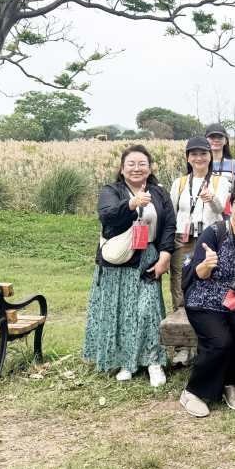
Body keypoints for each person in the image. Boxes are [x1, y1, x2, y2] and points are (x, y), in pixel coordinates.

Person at [85, 145, 176, 387]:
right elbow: (106, 215)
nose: (136, 168)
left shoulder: (159, 193)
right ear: (122, 169)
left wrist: (165, 256)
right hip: (119, 259)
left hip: (148, 257)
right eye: (131, 164)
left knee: (147, 311)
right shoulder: (111, 190)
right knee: (121, 311)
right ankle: (126, 361)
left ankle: (154, 362)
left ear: (149, 168)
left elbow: (168, 226)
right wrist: (131, 203)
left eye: (142, 164)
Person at [180, 182, 235, 418]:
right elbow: (199, 273)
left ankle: (232, 383)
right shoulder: (215, 232)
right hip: (205, 296)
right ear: (231, 205)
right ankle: (193, 391)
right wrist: (207, 265)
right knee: (221, 340)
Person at [168, 136, 230, 367]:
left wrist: (212, 198)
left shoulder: (219, 181)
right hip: (183, 240)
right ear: (187, 158)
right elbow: (172, 215)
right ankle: (182, 346)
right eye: (193, 154)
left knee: (209, 286)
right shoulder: (180, 183)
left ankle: (207, 341)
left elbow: (221, 208)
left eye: (203, 153)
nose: (199, 158)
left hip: (210, 241)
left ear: (209, 156)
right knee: (180, 285)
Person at [206, 123, 235, 188]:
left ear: (225, 141)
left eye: (220, 137)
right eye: (212, 137)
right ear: (206, 140)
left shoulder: (234, 165)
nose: (216, 140)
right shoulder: (201, 163)